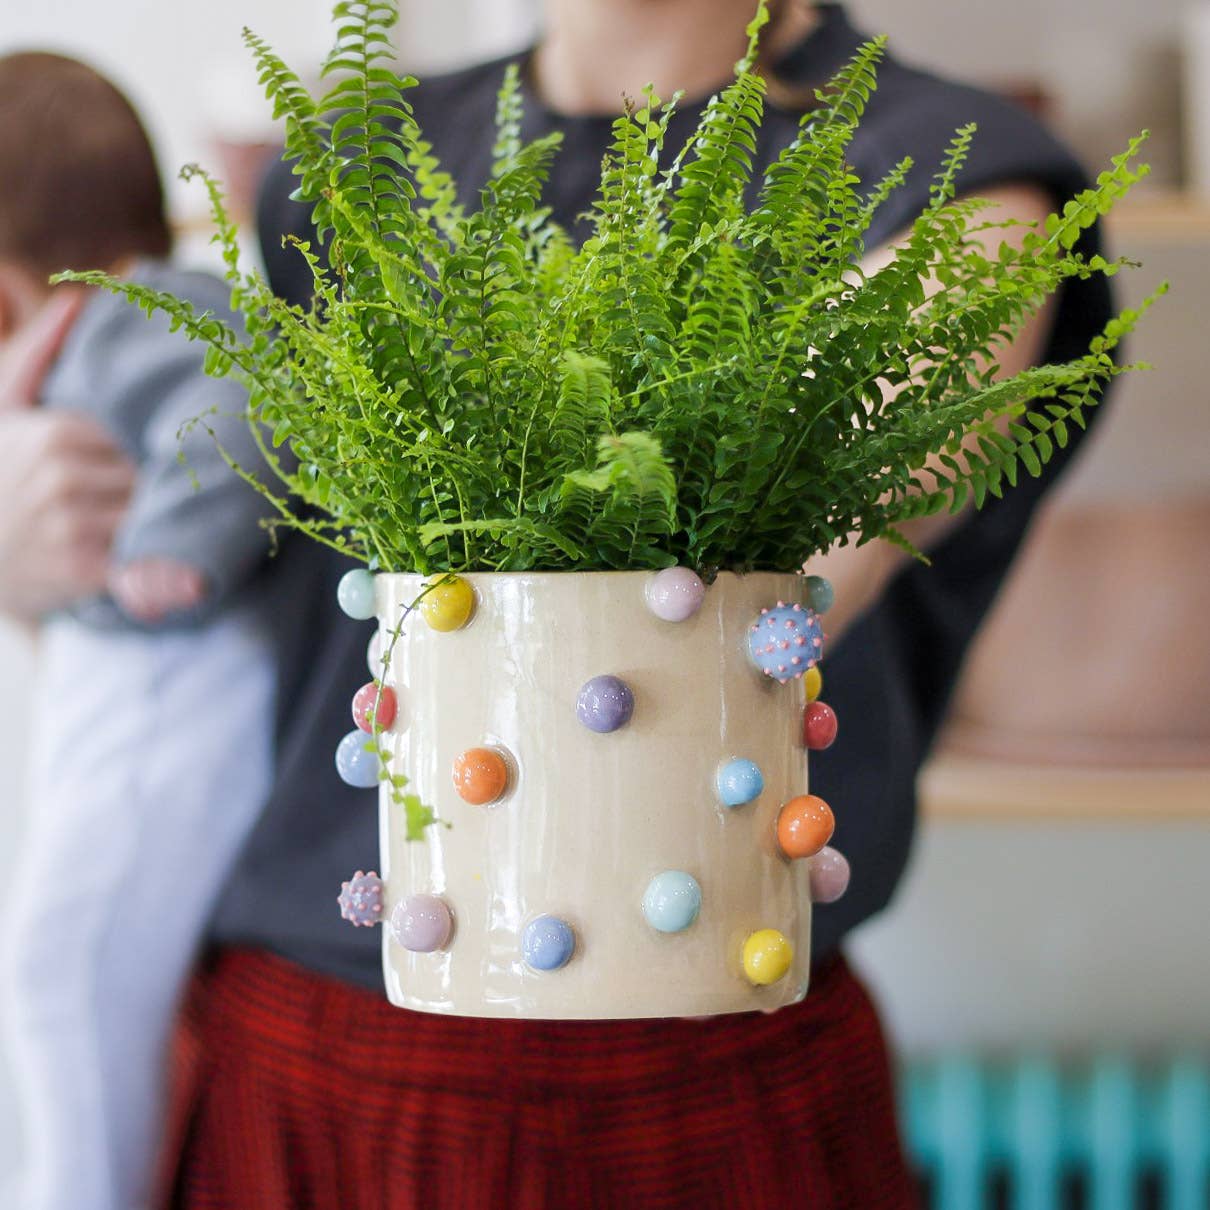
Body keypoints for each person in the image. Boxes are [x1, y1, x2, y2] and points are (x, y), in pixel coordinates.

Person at [0, 3, 1114, 1207]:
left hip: (697, 1069)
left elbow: (759, 562)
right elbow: (255, 577)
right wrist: (34, 565)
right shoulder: (351, 172)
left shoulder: (959, 183)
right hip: (312, 1038)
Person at [0, 53, 278, 1210]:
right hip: (142, 679)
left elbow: (239, 408)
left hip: (176, 679)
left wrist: (173, 538)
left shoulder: (122, 324)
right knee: (74, 961)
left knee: (67, 960)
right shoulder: (113, 323)